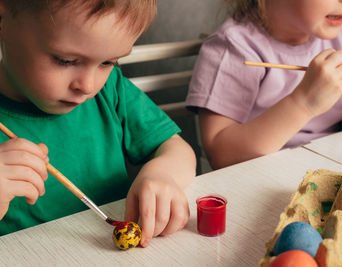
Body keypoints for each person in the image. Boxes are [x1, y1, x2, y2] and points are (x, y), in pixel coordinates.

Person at [0, 0, 196, 248]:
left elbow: (177, 149)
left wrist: (162, 173)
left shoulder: (110, 90)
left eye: (108, 62)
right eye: (66, 60)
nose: (88, 86)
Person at [186, 0, 342, 170]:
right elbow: (221, 154)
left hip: (334, 165)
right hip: (263, 179)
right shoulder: (235, 48)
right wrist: (303, 104)